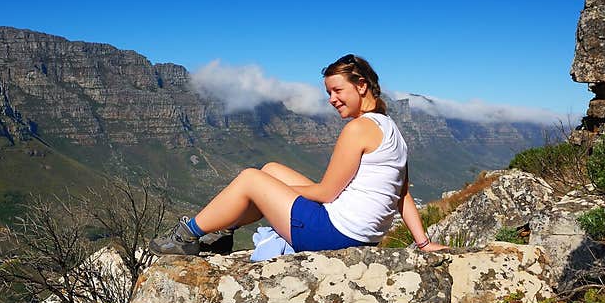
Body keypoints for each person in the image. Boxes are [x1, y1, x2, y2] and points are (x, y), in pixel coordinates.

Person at [149, 53, 447, 256]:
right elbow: (402, 193)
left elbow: (327, 193)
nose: (331, 99)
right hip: (362, 236)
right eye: (329, 92)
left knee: (251, 179)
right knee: (271, 169)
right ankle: (223, 231)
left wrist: (271, 193)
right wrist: (423, 243)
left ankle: (186, 236)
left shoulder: (358, 129)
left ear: (362, 85)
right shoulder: (391, 128)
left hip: (334, 236)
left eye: (337, 90)